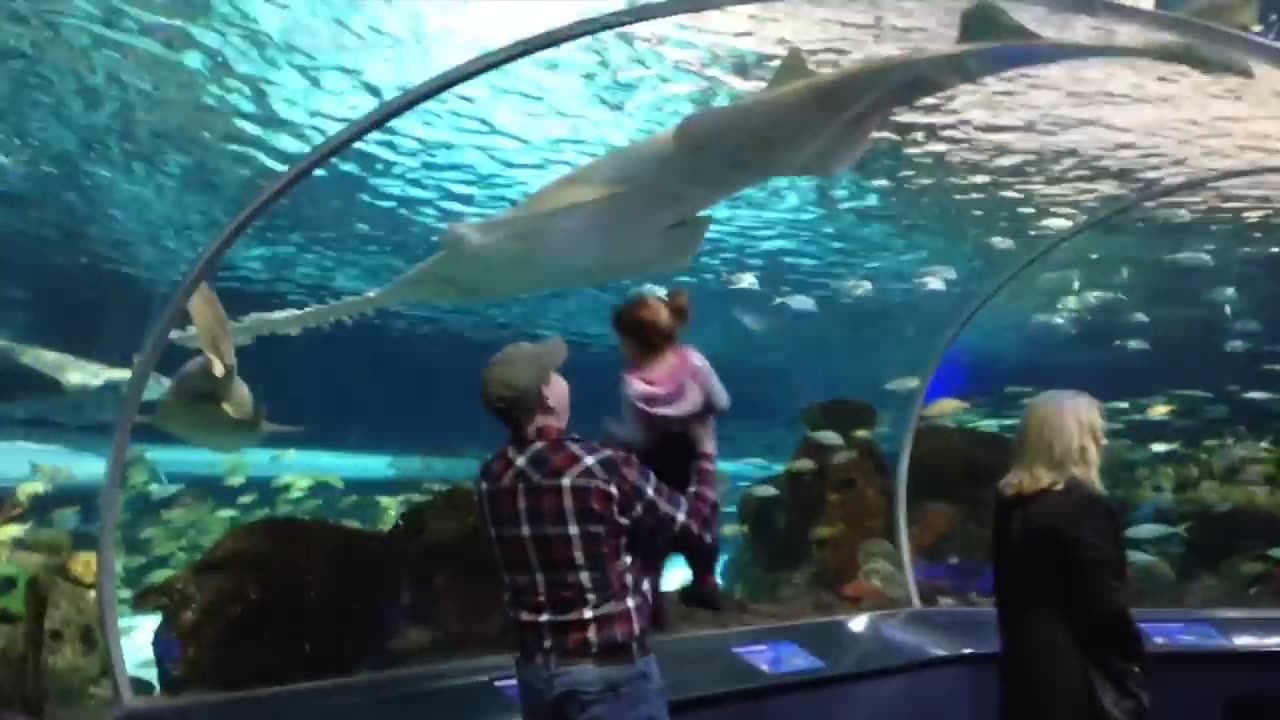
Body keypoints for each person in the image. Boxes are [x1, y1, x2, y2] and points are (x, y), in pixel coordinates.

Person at [475, 336, 719, 720]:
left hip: (536, 673)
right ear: (547, 397)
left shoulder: (491, 477)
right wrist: (705, 453)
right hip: (610, 676)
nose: (562, 380)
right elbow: (697, 525)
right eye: (555, 374)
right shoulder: (602, 468)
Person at [992, 390, 1149, 720]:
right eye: (1096, 430)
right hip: (1076, 675)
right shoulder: (1082, 506)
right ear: (1078, 440)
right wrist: (1134, 651)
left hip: (1023, 665)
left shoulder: (1011, 501)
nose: (1103, 440)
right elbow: (1101, 600)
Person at [607, 288, 729, 622]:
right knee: (704, 526)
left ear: (633, 341)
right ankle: (705, 583)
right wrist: (697, 420)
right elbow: (722, 402)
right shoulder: (694, 360)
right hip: (695, 457)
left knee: (649, 536)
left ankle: (652, 605)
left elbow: (637, 434)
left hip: (653, 467)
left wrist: (615, 437)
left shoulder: (633, 383)